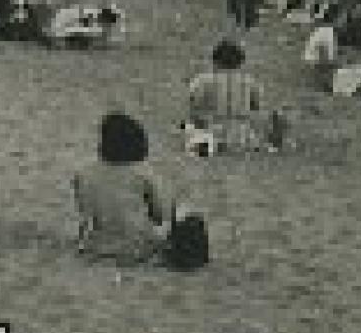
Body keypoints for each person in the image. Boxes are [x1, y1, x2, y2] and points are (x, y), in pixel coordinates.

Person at [73, 113, 204, 268]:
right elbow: (161, 214)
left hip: (98, 245)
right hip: (137, 248)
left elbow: (85, 211)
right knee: (190, 219)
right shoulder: (142, 174)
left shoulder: (83, 174)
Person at [185, 39, 266, 153]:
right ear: (240, 61)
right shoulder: (251, 83)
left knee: (189, 126)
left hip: (211, 133)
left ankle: (205, 145)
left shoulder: (202, 81)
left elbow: (194, 111)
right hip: (242, 136)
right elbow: (256, 110)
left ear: (215, 60)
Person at [301, 7, 340, 90]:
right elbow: (322, 51)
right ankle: (324, 81)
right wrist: (327, 68)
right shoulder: (327, 31)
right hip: (317, 59)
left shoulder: (324, 29)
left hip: (316, 57)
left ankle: (324, 78)